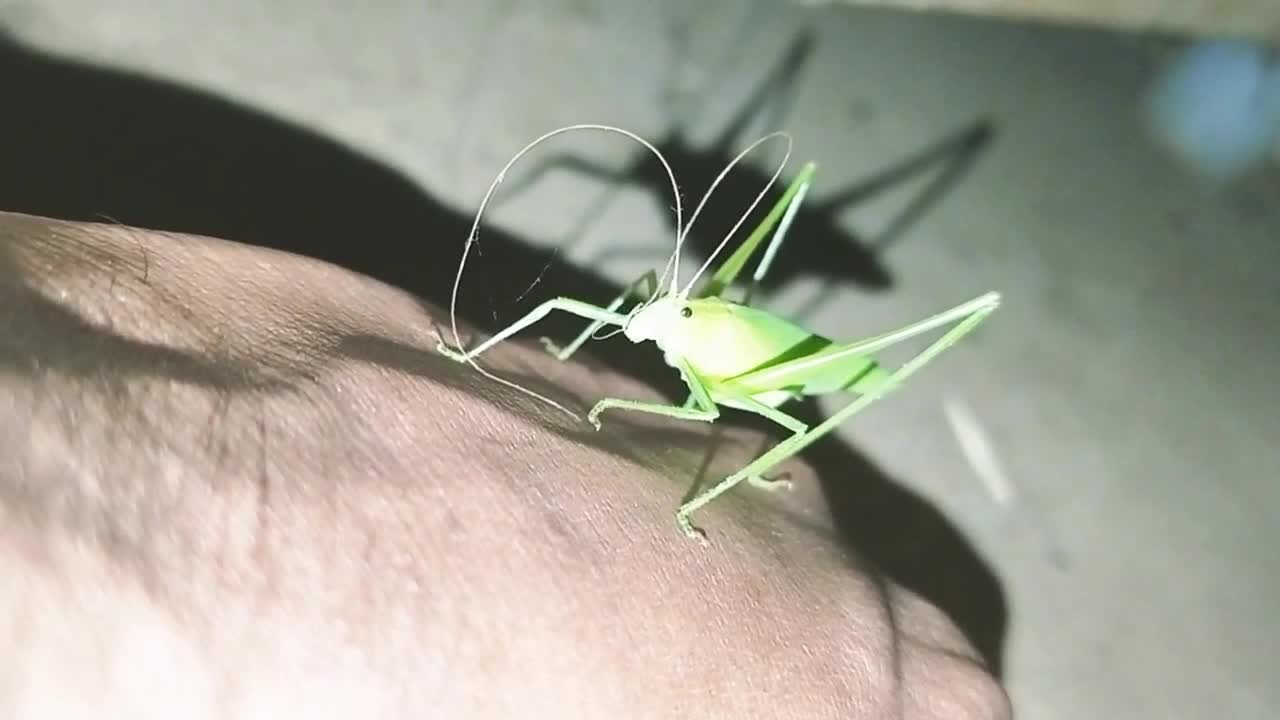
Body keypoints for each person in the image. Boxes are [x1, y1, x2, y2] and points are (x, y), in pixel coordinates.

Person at [0, 210, 1010, 719]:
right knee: (623, 375)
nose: (636, 310)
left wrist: (734, 473)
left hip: (763, 385)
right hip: (714, 367)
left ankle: (741, 471)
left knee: (716, 426)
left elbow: (704, 400)